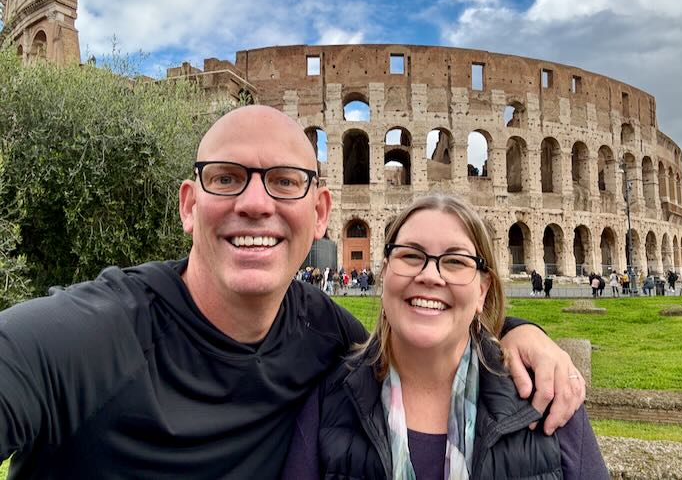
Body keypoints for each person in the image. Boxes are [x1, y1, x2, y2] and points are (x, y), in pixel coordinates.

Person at [0, 106, 585, 479]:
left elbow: (423, 334)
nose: (255, 203)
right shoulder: (88, 334)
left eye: (284, 182)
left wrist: (518, 333)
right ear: (188, 204)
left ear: (319, 212)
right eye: (226, 177)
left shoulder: (323, 333)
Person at [282, 195, 606, 479]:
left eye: (454, 261)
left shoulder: (550, 395)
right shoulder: (327, 402)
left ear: (482, 291)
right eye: (410, 255)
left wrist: (522, 329)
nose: (429, 275)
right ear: (385, 275)